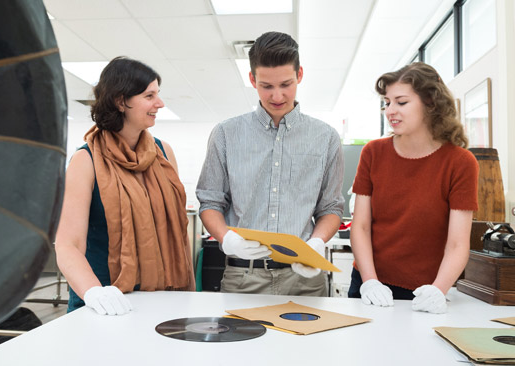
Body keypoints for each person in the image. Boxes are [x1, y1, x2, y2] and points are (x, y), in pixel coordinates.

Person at [196, 31, 344, 296]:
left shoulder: (326, 137)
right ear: (252, 80)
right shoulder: (226, 134)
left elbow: (331, 207)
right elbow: (210, 202)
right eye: (266, 86)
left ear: (299, 75)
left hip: (304, 278)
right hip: (243, 278)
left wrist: (318, 242)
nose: (277, 96)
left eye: (286, 84)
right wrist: (226, 238)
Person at [55, 57, 193, 316]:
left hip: (162, 300)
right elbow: (68, 246)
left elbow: (179, 231)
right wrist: (93, 292)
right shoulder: (85, 160)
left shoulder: (163, 153)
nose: (159, 103)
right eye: (149, 95)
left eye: (158, 94)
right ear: (121, 101)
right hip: (103, 304)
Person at [349, 62, 479, 314]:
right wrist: (370, 280)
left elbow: (457, 243)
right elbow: (361, 226)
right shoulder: (373, 153)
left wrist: (438, 290)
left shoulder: (461, 162)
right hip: (370, 284)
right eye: (387, 103)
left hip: (425, 292)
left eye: (401, 102)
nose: (390, 111)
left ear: (430, 103)